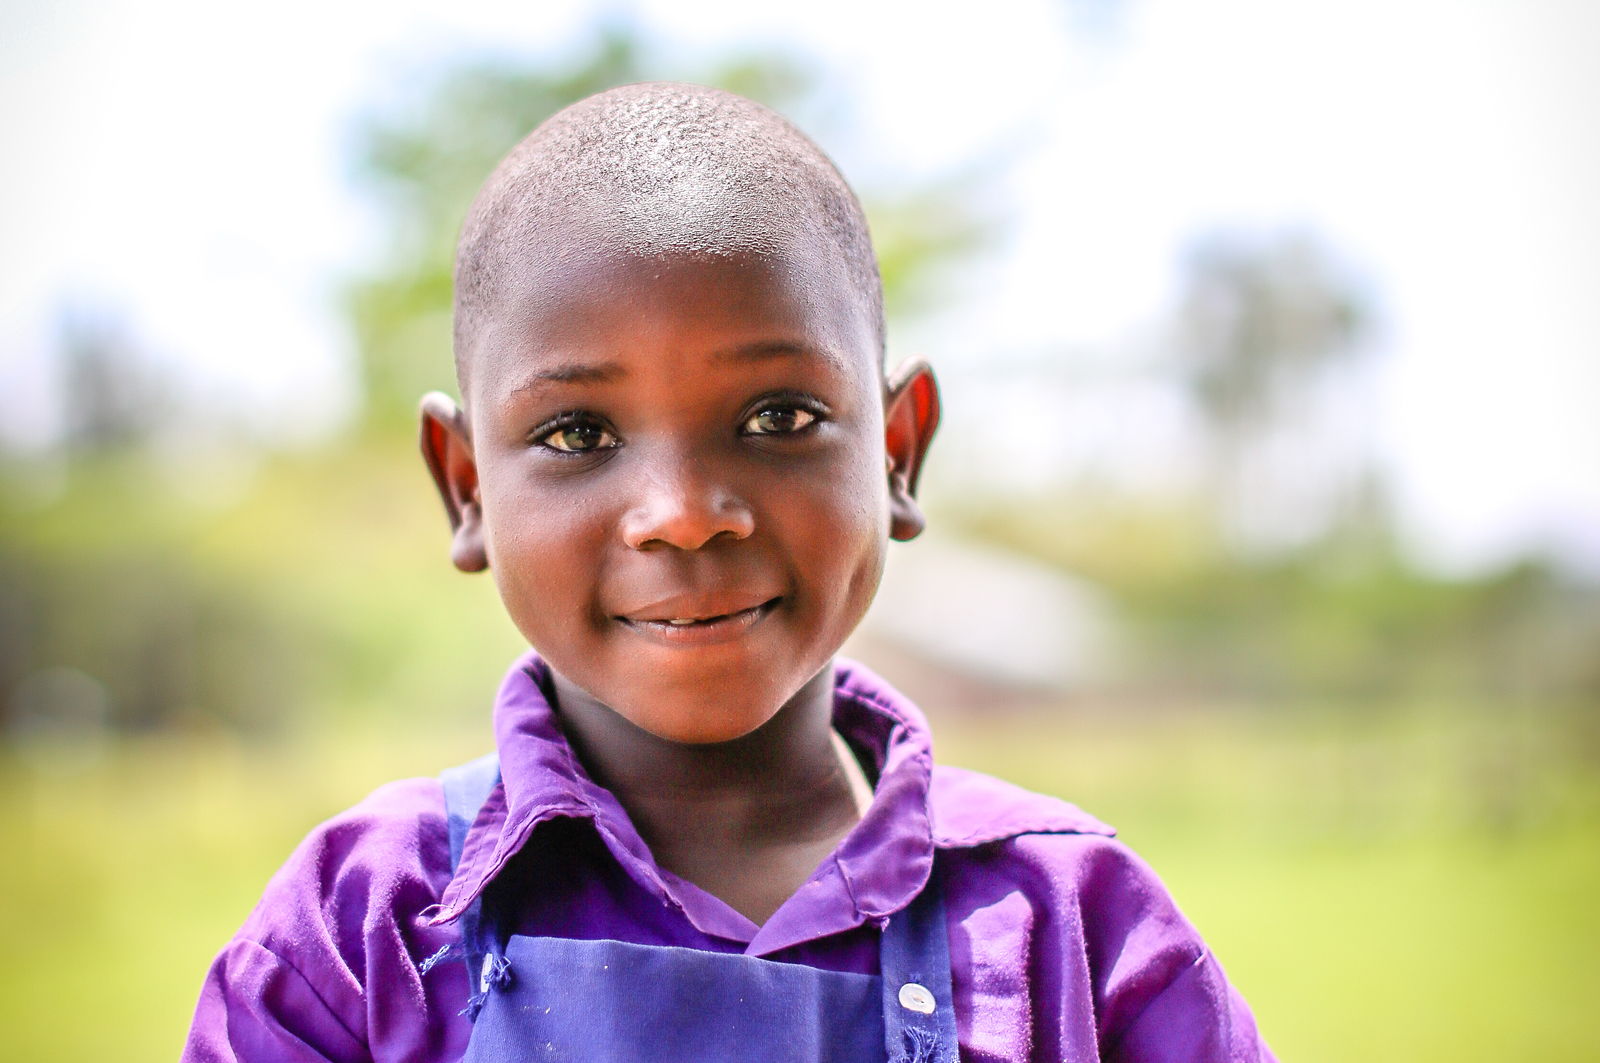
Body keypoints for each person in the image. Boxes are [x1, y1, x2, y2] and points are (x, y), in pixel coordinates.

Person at [183, 83, 1275, 1063]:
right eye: (576, 433)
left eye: (779, 416)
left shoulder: (1076, 931)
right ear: (466, 485)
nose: (685, 515)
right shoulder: (356, 935)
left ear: (895, 451)